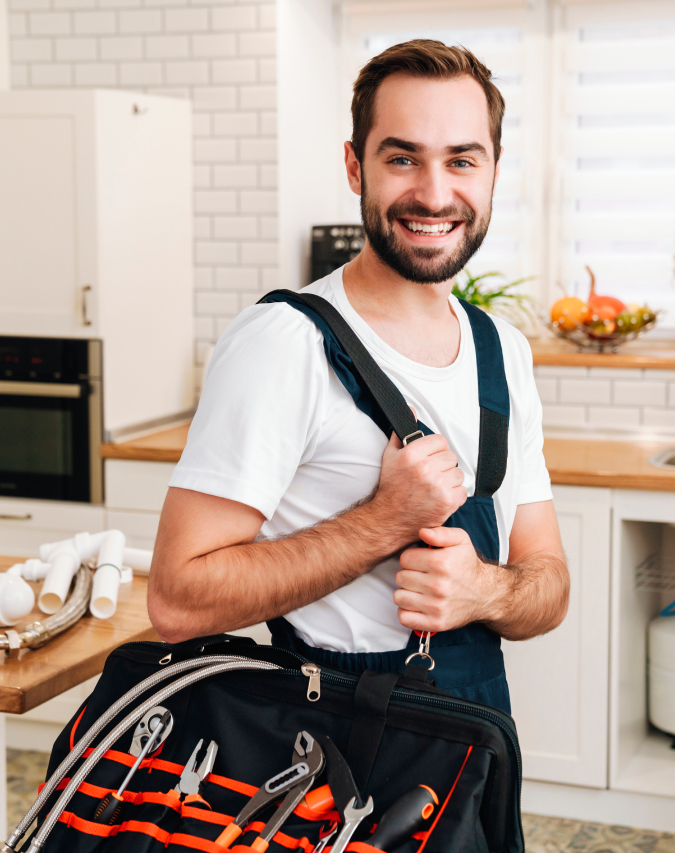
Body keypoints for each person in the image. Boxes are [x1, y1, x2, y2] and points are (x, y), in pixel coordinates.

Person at [147, 39, 569, 713]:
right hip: (331, 766)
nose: (434, 194)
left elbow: (549, 583)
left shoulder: (504, 350)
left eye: (462, 159)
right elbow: (176, 599)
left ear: (492, 171)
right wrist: (383, 520)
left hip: (475, 749)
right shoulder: (284, 343)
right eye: (402, 158)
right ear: (355, 166)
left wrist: (485, 590)